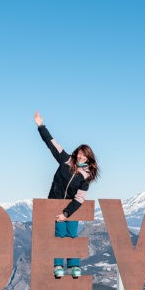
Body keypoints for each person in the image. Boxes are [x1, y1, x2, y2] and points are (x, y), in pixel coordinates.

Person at [34, 111, 100, 278]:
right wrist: (41, 125)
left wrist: (67, 213)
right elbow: (51, 143)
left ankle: (73, 266)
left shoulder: (86, 176)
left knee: (72, 234)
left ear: (88, 158)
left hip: (70, 208)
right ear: (76, 152)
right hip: (55, 203)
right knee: (59, 235)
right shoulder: (65, 160)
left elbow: (79, 199)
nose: (81, 156)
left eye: (84, 155)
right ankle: (58, 265)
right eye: (79, 153)